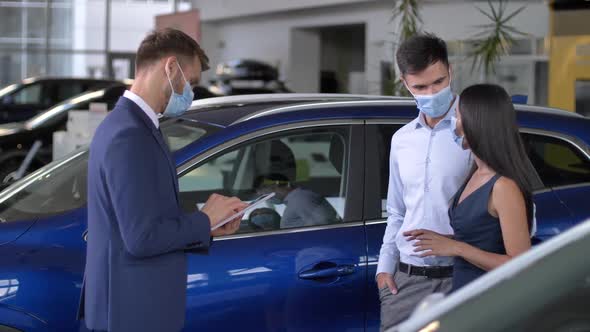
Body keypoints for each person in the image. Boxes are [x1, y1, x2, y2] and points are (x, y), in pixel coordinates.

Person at [78, 29, 247, 332]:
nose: (192, 92)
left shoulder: (133, 125)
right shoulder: (130, 134)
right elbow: (141, 237)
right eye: (191, 82)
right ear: (170, 68)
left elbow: (145, 213)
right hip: (131, 312)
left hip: (130, 305)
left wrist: (208, 224)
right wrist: (204, 220)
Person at [376, 33, 473, 330]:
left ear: (450, 72)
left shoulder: (476, 130)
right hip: (405, 281)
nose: (431, 93)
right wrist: (384, 269)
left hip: (462, 277)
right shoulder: (402, 140)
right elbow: (396, 211)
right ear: (405, 84)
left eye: (439, 82)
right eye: (420, 87)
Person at [405, 84, 538, 292]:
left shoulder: (503, 187)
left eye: (457, 116)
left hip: (489, 299)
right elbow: (481, 237)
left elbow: (521, 264)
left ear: (477, 124)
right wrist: (441, 241)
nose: (453, 123)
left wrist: (456, 247)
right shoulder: (476, 172)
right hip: (465, 292)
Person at [253, 173, 340, 229]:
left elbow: (321, 227)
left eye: (264, 189)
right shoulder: (296, 199)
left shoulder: (300, 199)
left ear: (277, 185)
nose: (266, 197)